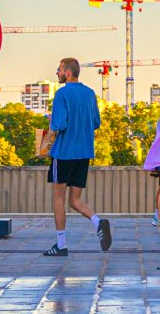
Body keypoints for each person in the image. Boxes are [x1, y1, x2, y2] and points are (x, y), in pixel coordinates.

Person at [43, 58, 112, 256]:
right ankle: (98, 222)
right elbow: (96, 122)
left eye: (59, 70)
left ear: (67, 72)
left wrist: (50, 122)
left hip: (64, 153)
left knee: (58, 198)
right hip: (84, 153)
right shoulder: (90, 93)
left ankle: (61, 244)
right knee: (75, 200)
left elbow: (60, 124)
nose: (56, 73)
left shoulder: (62, 93)